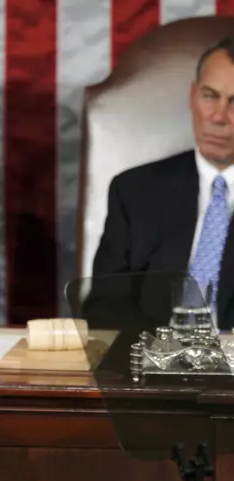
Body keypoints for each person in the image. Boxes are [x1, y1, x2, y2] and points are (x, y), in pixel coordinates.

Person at [93, 37, 234, 329]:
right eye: (210, 96)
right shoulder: (134, 191)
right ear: (193, 96)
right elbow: (104, 305)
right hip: (153, 365)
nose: (219, 117)